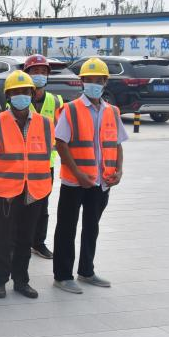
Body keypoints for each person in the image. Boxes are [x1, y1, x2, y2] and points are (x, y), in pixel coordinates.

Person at [53, 58, 127, 294]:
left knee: (91, 227)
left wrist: (119, 171)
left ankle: (86, 271)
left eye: (99, 80)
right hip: (74, 182)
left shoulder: (112, 111)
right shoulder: (71, 109)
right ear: (82, 82)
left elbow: (117, 144)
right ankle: (63, 276)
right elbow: (61, 144)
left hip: (101, 182)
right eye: (89, 80)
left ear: (105, 82)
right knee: (67, 228)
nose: (94, 84)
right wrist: (78, 173)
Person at [0, 71, 54, 299]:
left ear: (32, 94)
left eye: (25, 92)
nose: (21, 96)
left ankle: (21, 281)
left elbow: (46, 154)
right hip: (6, 191)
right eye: (16, 92)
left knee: (25, 238)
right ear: (8, 96)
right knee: (3, 237)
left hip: (34, 191)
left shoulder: (45, 123)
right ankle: (0, 281)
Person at [24, 54, 64, 260]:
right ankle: (18, 241)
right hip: (21, 164)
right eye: (35, 71)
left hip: (45, 164)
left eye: (43, 71)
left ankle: (38, 243)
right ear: (27, 74)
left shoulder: (56, 101)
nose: (39, 75)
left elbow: (62, 133)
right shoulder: (17, 98)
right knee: (20, 205)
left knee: (42, 206)